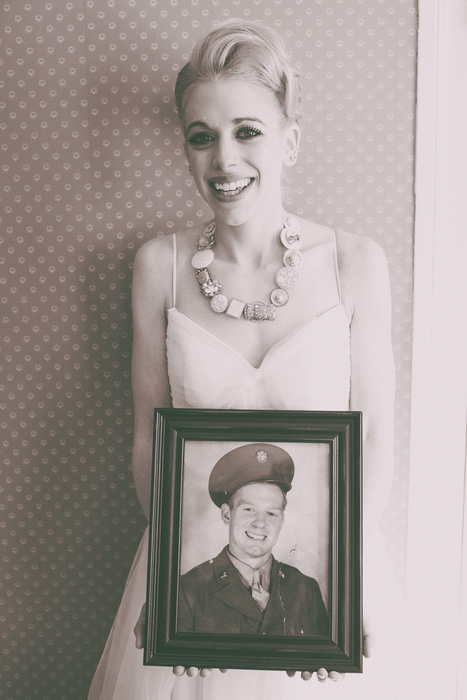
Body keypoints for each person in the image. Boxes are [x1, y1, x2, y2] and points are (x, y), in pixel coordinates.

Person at [88, 18, 401, 700]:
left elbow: (373, 436)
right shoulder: (158, 267)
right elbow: (148, 442)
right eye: (201, 138)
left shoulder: (356, 263)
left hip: (329, 572)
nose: (223, 160)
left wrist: (344, 597)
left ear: (290, 140)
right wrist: (176, 602)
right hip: (189, 576)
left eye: (247, 131)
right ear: (186, 150)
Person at [178, 443, 329, 636]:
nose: (260, 523)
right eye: (249, 510)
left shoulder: (305, 589)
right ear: (227, 515)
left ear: (282, 520)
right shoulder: (189, 589)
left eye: (271, 513)